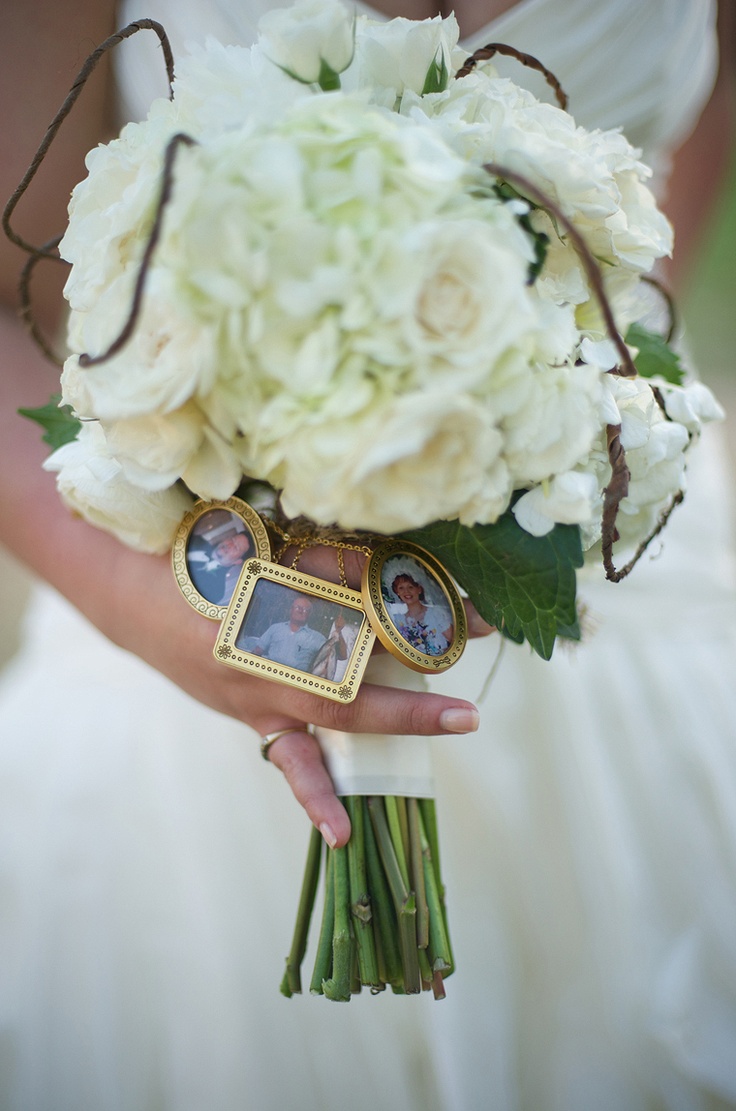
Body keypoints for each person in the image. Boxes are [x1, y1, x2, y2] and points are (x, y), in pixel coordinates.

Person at [0, 2, 734, 1111]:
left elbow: (666, 169)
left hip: (621, 600)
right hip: (175, 632)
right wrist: (161, 612)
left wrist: (553, 393)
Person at [249, 593, 327, 671]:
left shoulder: (316, 638)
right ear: (291, 610)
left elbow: (337, 655)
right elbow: (257, 651)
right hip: (269, 673)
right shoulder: (275, 628)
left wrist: (337, 630)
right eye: (298, 607)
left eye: (305, 610)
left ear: (309, 614)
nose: (300, 611)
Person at [388, 572, 454, 655]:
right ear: (397, 592)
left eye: (410, 587)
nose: (406, 591)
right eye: (401, 588)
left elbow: (453, 643)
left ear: (419, 589)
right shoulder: (398, 620)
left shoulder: (436, 613)